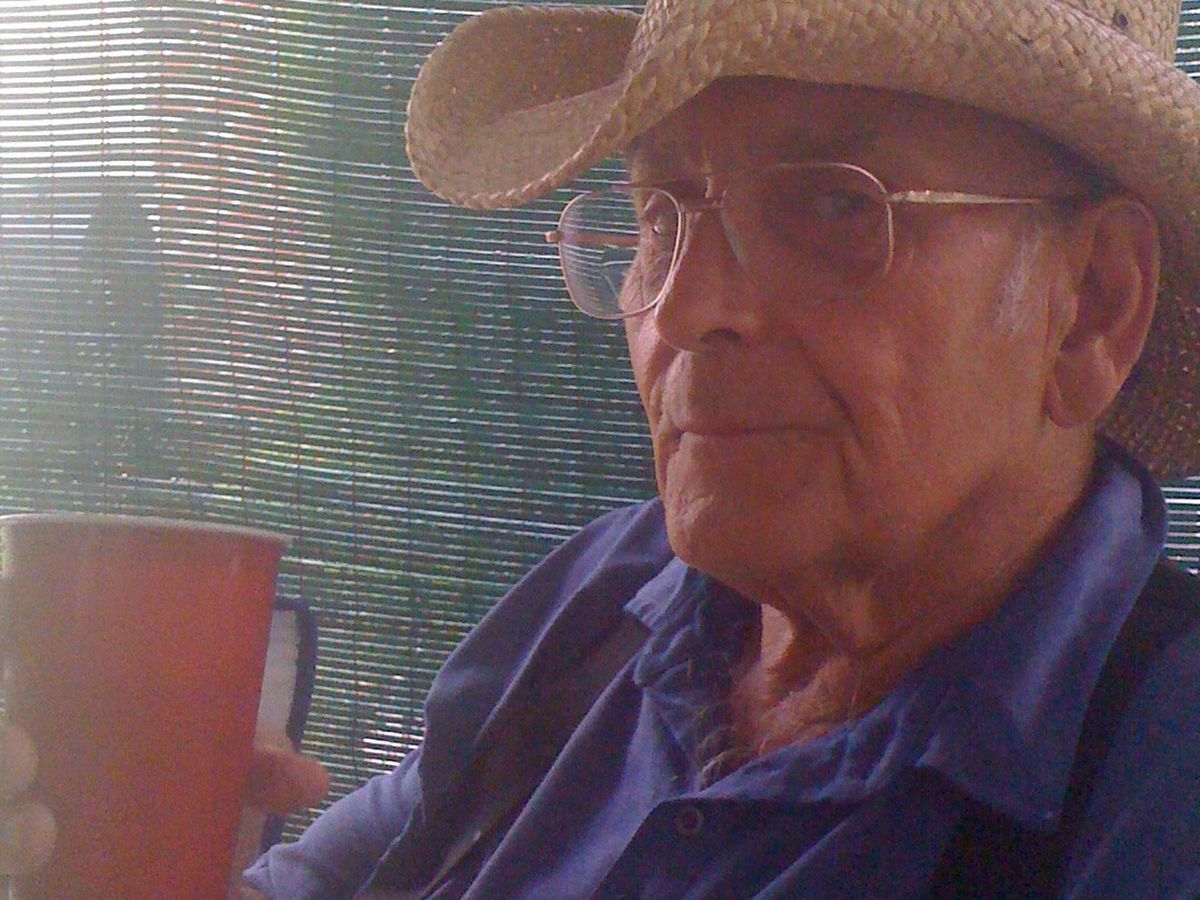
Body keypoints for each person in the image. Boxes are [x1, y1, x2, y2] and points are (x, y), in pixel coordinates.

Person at [4, 0, 1200, 896]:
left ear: (1093, 304)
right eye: (659, 216)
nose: (683, 311)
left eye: (837, 204)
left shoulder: (1151, 783)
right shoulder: (603, 603)